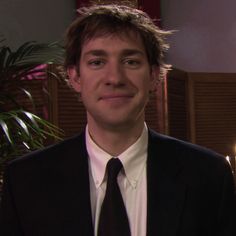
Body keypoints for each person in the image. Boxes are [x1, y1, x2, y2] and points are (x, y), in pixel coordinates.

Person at [0, 4, 236, 236]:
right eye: (97, 62)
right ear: (74, 77)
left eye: (131, 61)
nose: (114, 78)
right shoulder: (25, 180)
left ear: (154, 75)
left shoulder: (209, 175)